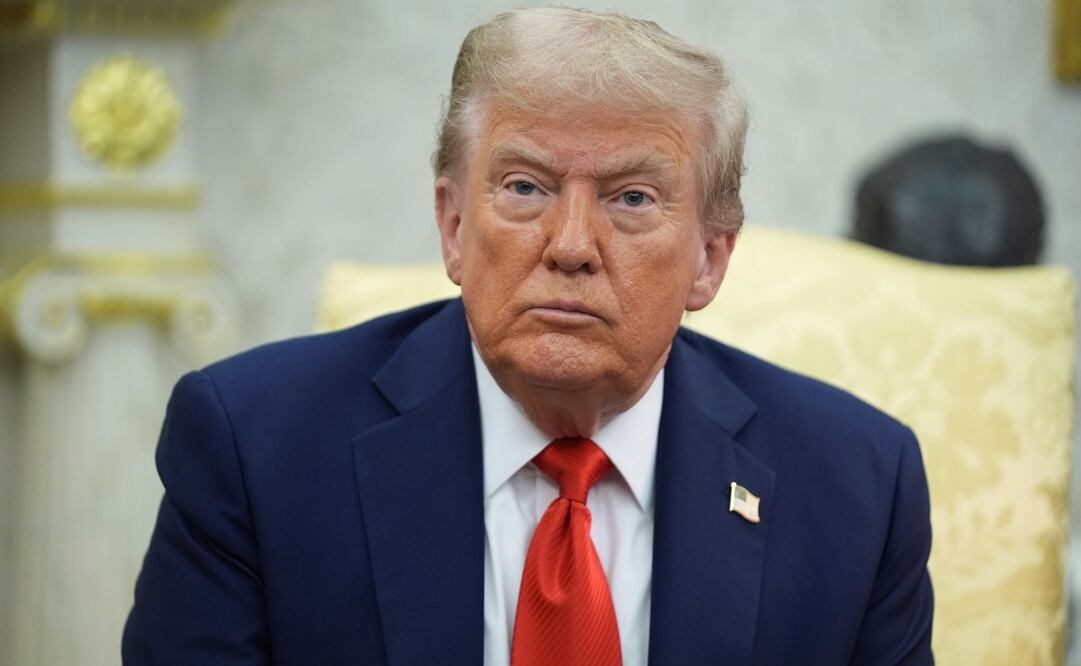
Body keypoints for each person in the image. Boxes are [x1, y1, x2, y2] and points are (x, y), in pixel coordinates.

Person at [123, 7, 933, 665]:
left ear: (709, 260)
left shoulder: (856, 486)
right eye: (524, 186)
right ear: (451, 226)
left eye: (632, 198)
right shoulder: (252, 447)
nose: (571, 243)